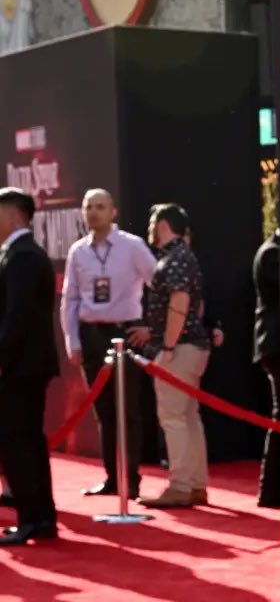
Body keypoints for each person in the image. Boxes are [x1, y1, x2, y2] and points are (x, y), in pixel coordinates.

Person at [61, 188, 157, 499]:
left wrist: (151, 326)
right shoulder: (78, 251)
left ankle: (131, 479)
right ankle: (112, 478)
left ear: (113, 211)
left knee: (127, 410)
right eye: (89, 207)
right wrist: (72, 341)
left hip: (125, 333)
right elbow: (70, 299)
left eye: (100, 207)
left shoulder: (132, 246)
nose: (94, 213)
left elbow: (159, 283)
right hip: (91, 335)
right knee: (103, 411)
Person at [136, 204, 212, 509]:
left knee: (173, 417)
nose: (149, 228)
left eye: (152, 222)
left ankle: (181, 485)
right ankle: (195, 484)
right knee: (188, 416)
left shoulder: (175, 258)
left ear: (163, 224)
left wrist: (167, 347)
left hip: (179, 349)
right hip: (191, 346)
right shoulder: (183, 256)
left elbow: (180, 301)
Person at [0, 187, 59, 545]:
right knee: (28, 441)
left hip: (20, 367)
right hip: (25, 365)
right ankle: (40, 518)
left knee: (18, 442)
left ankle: (32, 519)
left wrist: (1, 360)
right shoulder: (21, 253)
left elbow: (16, 317)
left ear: (12, 215)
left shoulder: (22, 256)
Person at [252, 227, 280, 508]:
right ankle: (270, 490)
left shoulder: (274, 250)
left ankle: (275, 489)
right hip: (276, 345)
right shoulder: (272, 253)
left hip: (277, 345)